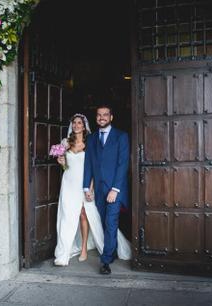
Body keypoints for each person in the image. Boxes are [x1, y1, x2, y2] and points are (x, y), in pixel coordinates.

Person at [54, 114, 130, 266]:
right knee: (67, 216)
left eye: (79, 123)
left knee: (84, 214)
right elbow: (64, 166)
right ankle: (63, 252)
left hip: (85, 184)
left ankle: (83, 249)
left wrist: (91, 187)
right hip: (69, 183)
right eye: (74, 123)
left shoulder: (91, 142)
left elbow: (95, 167)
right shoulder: (65, 143)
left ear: (84, 126)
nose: (76, 125)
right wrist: (61, 161)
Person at [83, 105, 130, 275]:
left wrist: (115, 189)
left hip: (114, 190)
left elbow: (123, 164)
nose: (102, 117)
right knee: (104, 222)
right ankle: (113, 250)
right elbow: (88, 164)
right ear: (96, 118)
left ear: (111, 117)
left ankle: (105, 261)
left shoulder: (121, 137)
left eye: (105, 115)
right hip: (98, 191)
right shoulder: (92, 138)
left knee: (111, 222)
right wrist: (86, 187)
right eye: (99, 115)